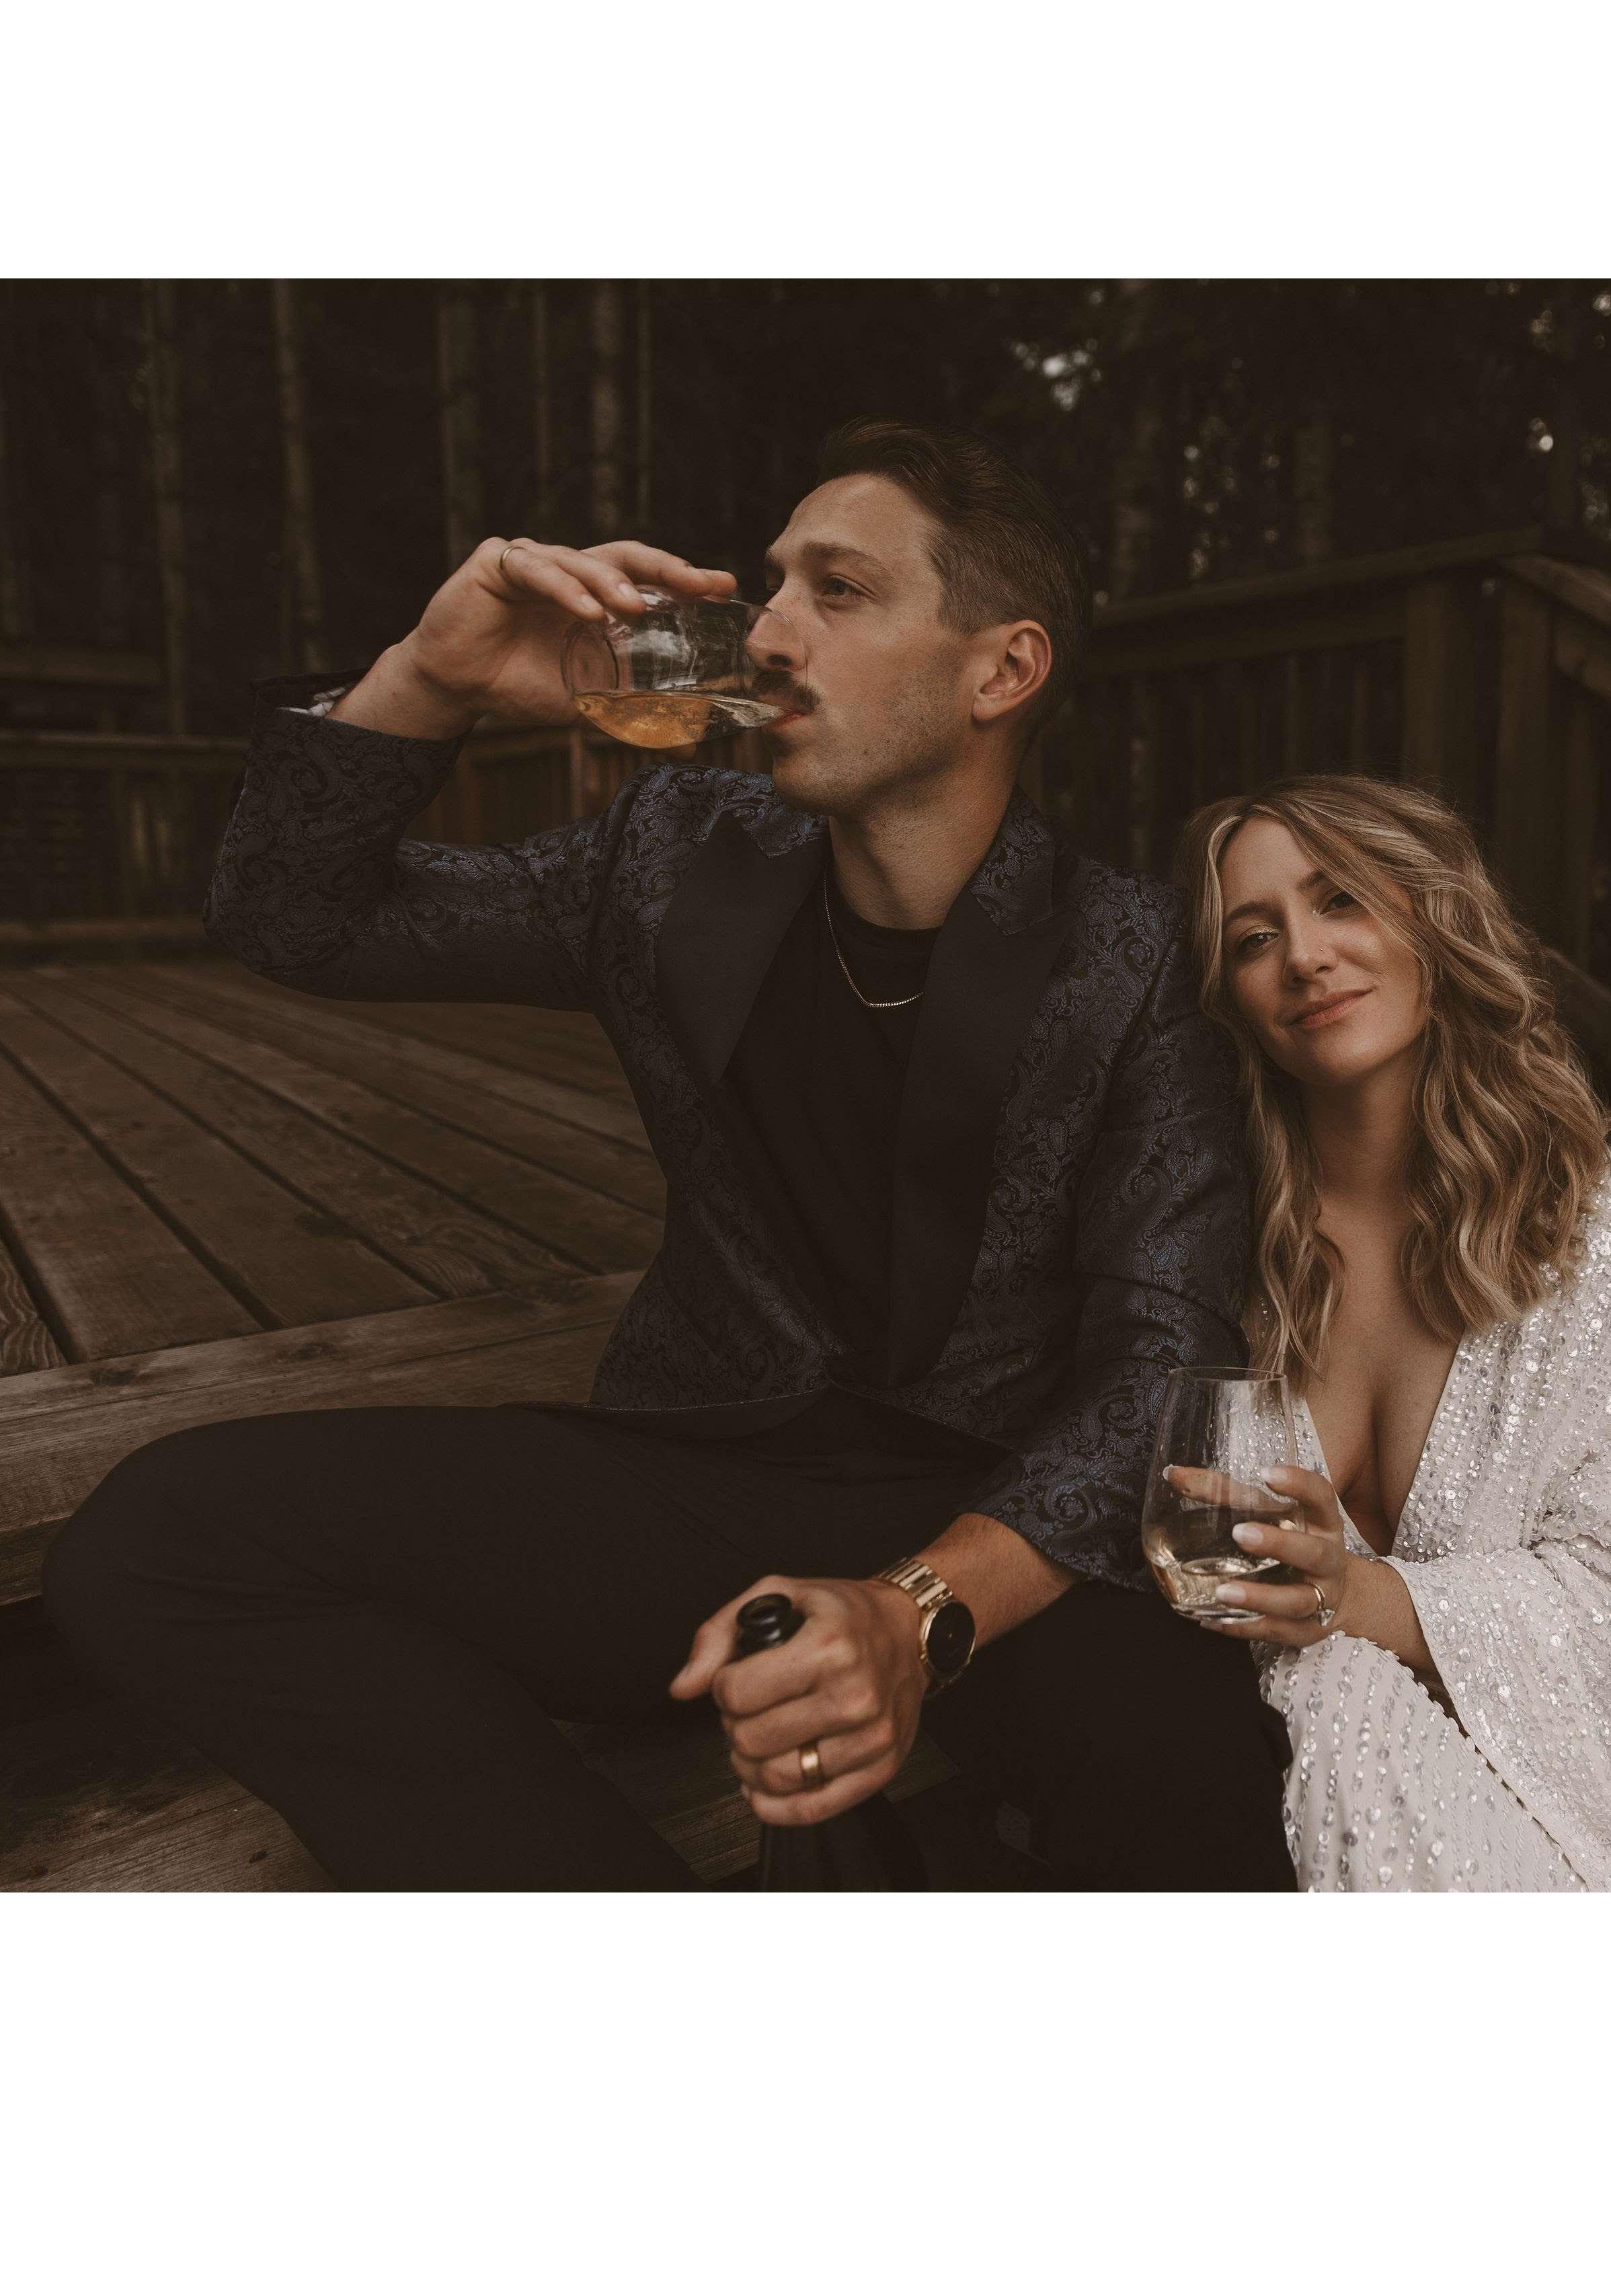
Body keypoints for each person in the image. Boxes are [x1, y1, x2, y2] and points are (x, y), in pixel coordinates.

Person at [43, 419, 1295, 1892]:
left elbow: (1163, 1358)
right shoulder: (672, 852)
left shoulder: (1136, 956)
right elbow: (293, 918)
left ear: (1001, 671)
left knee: (1198, 1750)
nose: (765, 634)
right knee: (159, 1539)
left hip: (1002, 1506)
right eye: (774, 585)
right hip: (709, 1468)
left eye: (838, 590)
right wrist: (433, 677)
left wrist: (915, 1611)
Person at [1169, 775, 1611, 1890]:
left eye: (1341, 899)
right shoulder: (1212, 1238)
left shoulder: (1603, 1231)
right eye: (1254, 939)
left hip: (1554, 1800)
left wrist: (1355, 1598)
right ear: (1230, 1000)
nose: (1304, 957)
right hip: (1250, 1792)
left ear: (1430, 916)